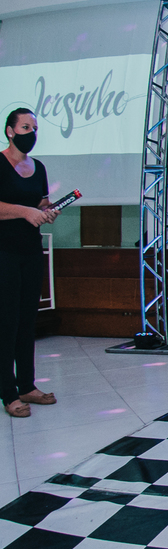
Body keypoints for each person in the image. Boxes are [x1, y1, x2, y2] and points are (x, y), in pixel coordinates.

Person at [1, 109, 60, 419]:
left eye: (34, 128)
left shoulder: (38, 167)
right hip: (4, 252)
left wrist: (48, 211)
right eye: (25, 127)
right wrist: (25, 212)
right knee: (6, 322)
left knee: (27, 320)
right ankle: (8, 393)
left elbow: (40, 202)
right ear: (10, 131)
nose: (31, 133)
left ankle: (26, 385)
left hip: (31, 250)